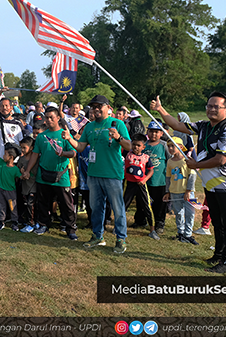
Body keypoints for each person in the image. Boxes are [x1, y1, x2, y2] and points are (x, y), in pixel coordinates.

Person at [150, 92, 226, 273]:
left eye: (216, 106)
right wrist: (160, 109)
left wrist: (196, 165)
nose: (212, 109)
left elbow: (221, 160)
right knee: (217, 221)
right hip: (210, 184)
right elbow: (177, 125)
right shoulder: (203, 126)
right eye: (209, 106)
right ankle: (218, 254)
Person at [63, 95, 131, 254]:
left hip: (112, 174)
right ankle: (97, 236)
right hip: (93, 174)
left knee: (117, 208)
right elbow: (80, 147)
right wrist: (69, 138)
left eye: (99, 106)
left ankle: (121, 239)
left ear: (108, 107)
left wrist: (118, 137)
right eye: (93, 107)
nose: (96, 109)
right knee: (96, 208)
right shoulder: (89, 127)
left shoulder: (118, 124)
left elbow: (129, 146)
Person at [23, 106, 78, 239]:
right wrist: (28, 170)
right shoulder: (41, 136)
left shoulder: (64, 135)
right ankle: (43, 224)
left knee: (66, 204)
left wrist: (63, 153)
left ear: (58, 118)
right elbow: (35, 154)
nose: (48, 120)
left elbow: (73, 152)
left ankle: (70, 229)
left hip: (61, 176)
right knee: (42, 202)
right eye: (46, 118)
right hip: (43, 175)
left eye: (51, 118)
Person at [122, 133, 157, 240]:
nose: (135, 147)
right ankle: (119, 227)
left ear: (143, 147)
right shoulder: (127, 154)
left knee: (147, 206)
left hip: (141, 184)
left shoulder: (146, 157)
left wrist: (145, 180)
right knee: (123, 205)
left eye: (138, 145)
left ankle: (152, 230)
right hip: (129, 184)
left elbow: (151, 170)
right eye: (134, 144)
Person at [164, 137, 198, 245]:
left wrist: (188, 191)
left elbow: (192, 176)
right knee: (178, 213)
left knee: (190, 213)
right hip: (175, 191)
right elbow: (168, 177)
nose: (170, 148)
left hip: (187, 192)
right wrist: (167, 191)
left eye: (173, 146)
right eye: (169, 146)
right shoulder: (170, 161)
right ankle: (181, 232)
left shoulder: (187, 161)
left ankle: (188, 234)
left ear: (181, 147)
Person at [143, 120, 170, 235]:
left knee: (160, 204)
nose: (153, 134)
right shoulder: (143, 144)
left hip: (160, 180)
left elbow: (170, 160)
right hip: (145, 180)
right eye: (151, 131)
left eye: (156, 132)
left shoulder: (164, 145)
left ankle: (159, 223)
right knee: (144, 202)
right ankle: (141, 220)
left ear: (161, 133)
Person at [17, 137, 38, 232]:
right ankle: (29, 221)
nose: (22, 150)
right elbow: (18, 172)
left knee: (31, 204)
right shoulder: (21, 159)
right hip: (25, 186)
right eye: (21, 147)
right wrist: (21, 173)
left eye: (24, 148)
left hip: (34, 185)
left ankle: (31, 223)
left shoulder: (37, 159)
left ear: (31, 148)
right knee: (26, 204)